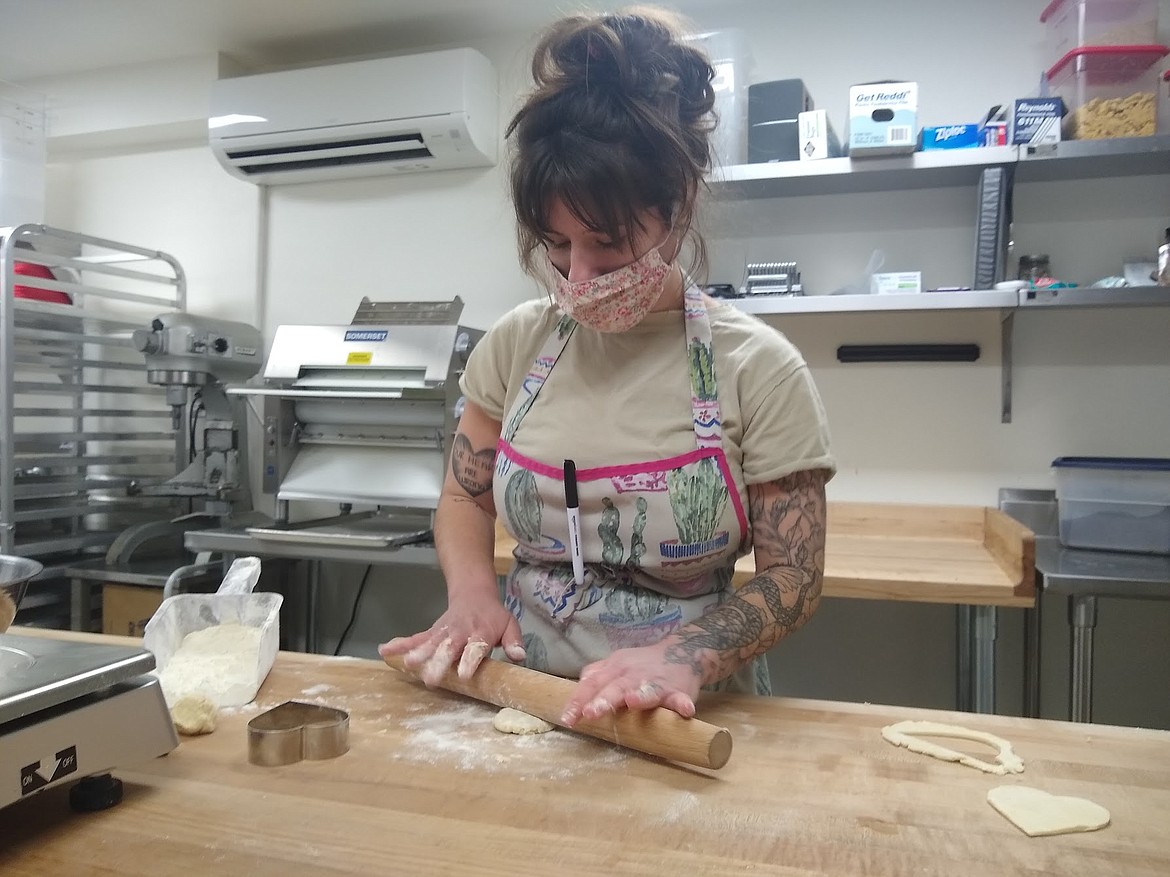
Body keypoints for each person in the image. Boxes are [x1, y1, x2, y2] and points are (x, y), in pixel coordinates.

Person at [379, 5, 835, 727]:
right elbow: (465, 497)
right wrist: (472, 593)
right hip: (523, 702)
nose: (580, 277)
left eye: (608, 244)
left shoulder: (758, 367)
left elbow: (794, 577)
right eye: (557, 248)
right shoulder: (515, 345)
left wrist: (684, 655)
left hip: (682, 715)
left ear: (677, 209)